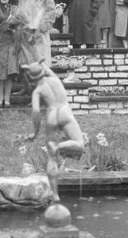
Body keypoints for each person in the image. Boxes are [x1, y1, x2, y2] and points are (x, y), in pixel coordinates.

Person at [22, 60, 88, 203]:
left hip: (52, 116)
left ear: (31, 77)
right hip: (65, 112)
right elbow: (46, 69)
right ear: (43, 70)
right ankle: (59, 146)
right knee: (79, 144)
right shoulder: (55, 79)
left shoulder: (37, 91)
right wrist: (39, 62)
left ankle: (55, 195)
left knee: (51, 157)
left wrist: (35, 132)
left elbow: (36, 112)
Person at [10, 0, 58, 68]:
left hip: (39, 36)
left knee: (41, 67)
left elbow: (50, 13)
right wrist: (13, 20)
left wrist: (39, 29)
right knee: (27, 67)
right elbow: (20, 13)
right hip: (25, 36)